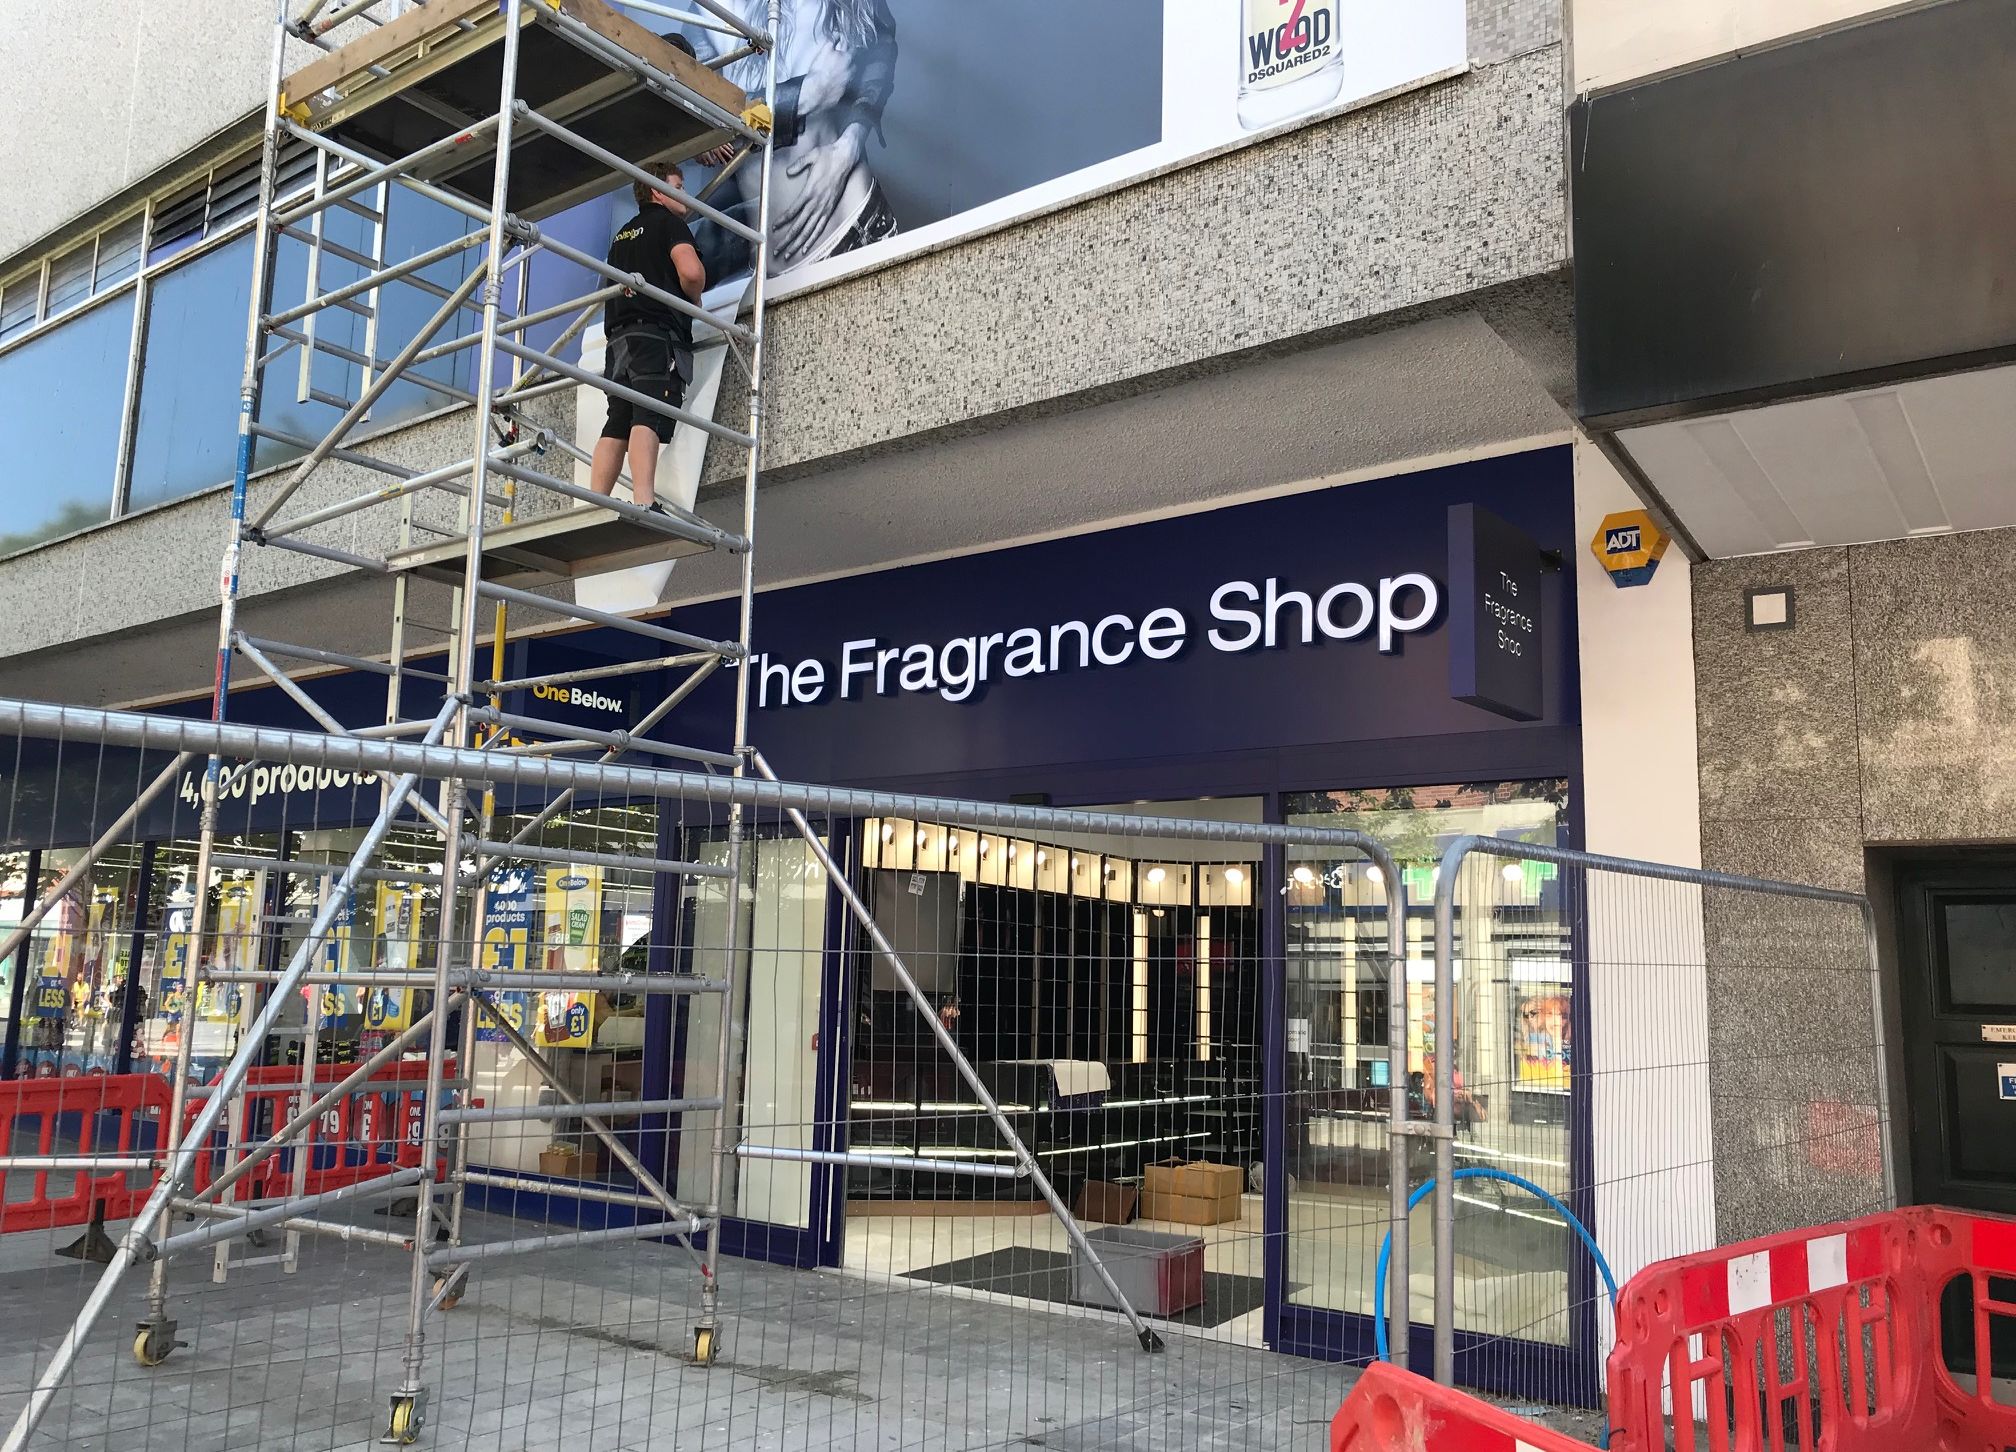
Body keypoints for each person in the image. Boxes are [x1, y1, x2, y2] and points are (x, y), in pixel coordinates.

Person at [690, 0, 898, 275]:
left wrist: (850, 145)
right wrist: (806, 93)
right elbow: (703, 111)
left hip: (852, 229)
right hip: (769, 272)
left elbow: (880, 48)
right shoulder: (707, 8)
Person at [588, 161, 707, 514]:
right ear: (658, 190)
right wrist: (695, 296)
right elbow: (691, 271)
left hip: (619, 338)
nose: (684, 194)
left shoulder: (623, 235)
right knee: (648, 412)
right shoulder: (670, 224)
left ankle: (595, 505)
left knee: (619, 419)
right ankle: (644, 499)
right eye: (678, 186)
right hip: (656, 333)